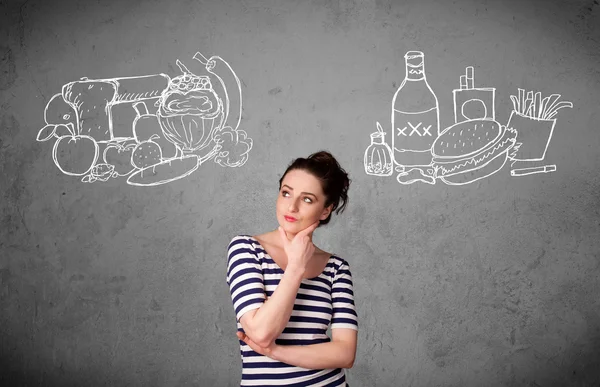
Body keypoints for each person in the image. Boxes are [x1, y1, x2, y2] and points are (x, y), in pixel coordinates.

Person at [226, 150, 358, 386]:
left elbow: (345, 354)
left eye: (307, 199)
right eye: (286, 193)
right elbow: (261, 333)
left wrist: (275, 352)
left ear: (326, 210)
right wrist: (296, 267)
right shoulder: (246, 249)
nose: (292, 206)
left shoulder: (336, 268)